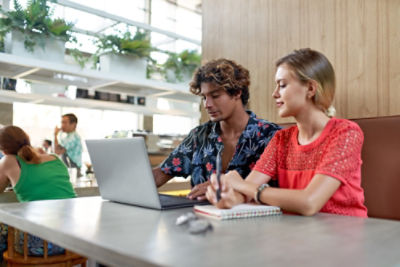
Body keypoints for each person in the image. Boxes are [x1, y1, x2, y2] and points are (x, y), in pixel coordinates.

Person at [206, 48, 368, 217]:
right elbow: (246, 190)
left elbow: (309, 202)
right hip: (297, 235)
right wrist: (229, 198)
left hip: (344, 236)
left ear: (311, 88)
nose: (274, 93)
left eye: (282, 85)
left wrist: (243, 186)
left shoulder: (345, 133)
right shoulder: (281, 139)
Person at [153, 58, 281, 200]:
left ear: (237, 93)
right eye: (204, 97)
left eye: (215, 96)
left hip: (255, 219)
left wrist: (223, 186)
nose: (207, 104)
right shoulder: (199, 136)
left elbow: (281, 191)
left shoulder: (272, 135)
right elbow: (162, 173)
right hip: (200, 218)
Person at [0, 125, 77, 258]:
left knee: (3, 227)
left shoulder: (8, 161)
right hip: (76, 241)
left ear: (3, 149)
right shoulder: (54, 158)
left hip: (42, 245)